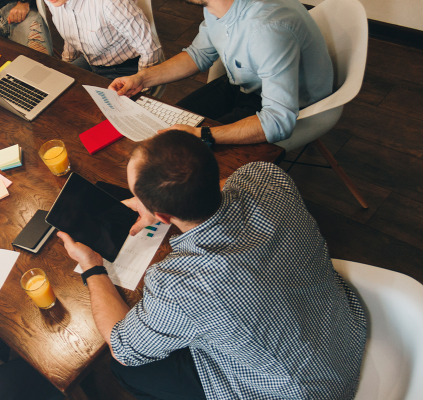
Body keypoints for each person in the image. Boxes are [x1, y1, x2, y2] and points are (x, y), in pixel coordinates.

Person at [58, 131, 366, 399]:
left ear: (163, 217)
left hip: (301, 391)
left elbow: (123, 349)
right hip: (345, 331)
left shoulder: (178, 283)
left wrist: (92, 266)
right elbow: (224, 184)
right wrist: (157, 204)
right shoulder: (265, 176)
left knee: (125, 371)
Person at [109, 0, 333, 145]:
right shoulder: (216, 7)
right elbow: (198, 55)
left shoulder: (266, 29)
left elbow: (278, 121)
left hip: (292, 106)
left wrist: (203, 135)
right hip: (248, 83)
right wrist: (142, 78)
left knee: (180, 154)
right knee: (162, 131)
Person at [43, 0, 163, 79]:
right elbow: (72, 31)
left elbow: (150, 49)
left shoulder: (109, 2)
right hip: (90, 62)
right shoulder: (54, 1)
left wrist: (142, 85)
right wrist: (66, 67)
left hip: (127, 70)